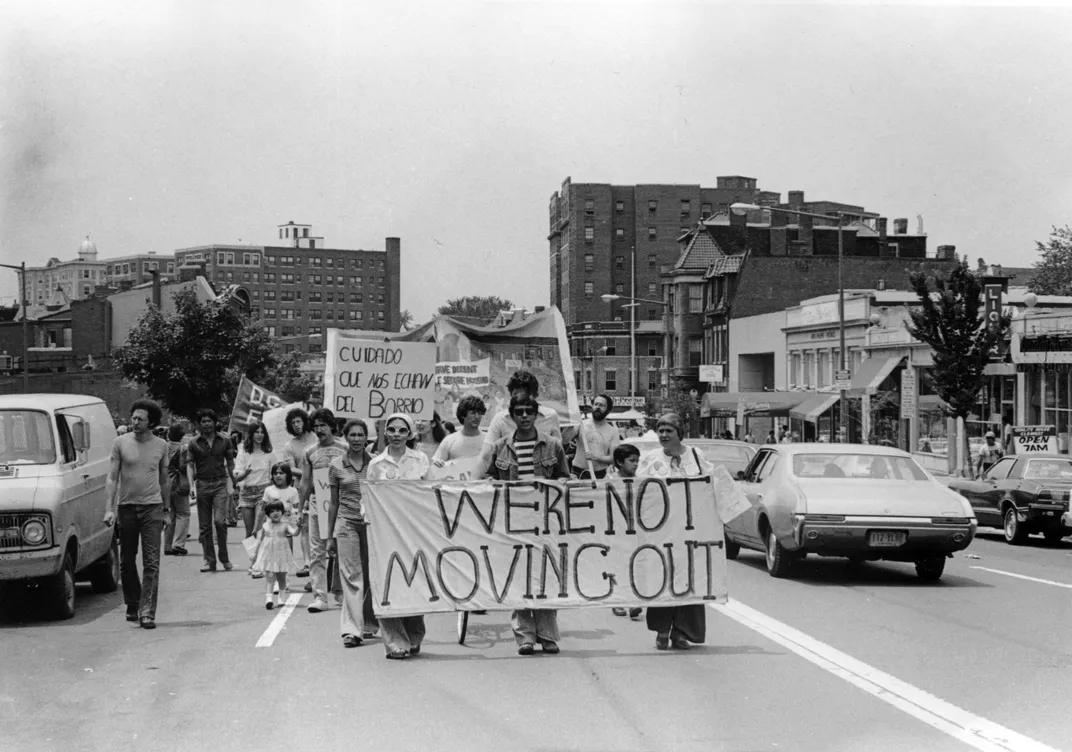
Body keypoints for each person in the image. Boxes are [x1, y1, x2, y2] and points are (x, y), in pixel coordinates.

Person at [480, 394, 570, 656]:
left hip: (545, 521)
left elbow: (564, 475)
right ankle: (525, 636)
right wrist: (492, 483)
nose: (524, 416)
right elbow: (489, 477)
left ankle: (548, 635)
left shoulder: (553, 446)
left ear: (536, 414)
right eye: (519, 412)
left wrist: (562, 483)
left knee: (546, 577)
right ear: (512, 416)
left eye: (529, 411)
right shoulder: (499, 447)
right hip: (513, 522)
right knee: (520, 577)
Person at [636, 412, 714, 651]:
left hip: (691, 531)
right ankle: (662, 630)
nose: (663, 435)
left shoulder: (696, 456)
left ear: (680, 433)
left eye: (669, 430)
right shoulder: (650, 459)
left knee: (690, 580)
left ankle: (682, 633)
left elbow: (711, 483)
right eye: (660, 430)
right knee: (664, 578)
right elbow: (638, 491)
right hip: (662, 531)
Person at [367, 413, 431, 660]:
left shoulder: (421, 460)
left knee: (413, 581)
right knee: (387, 585)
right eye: (391, 430)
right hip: (385, 533)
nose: (396, 434)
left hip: (415, 532)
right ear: (385, 433)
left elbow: (431, 493)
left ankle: (414, 636)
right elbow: (368, 498)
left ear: (410, 434)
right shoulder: (376, 464)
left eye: (402, 430)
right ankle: (395, 642)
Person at [103, 399, 170, 629]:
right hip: (127, 507)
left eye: (140, 419)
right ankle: (133, 601)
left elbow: (164, 478)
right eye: (133, 418)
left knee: (152, 562)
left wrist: (167, 509)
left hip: (152, 507)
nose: (135, 422)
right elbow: (112, 477)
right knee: (126, 561)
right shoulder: (120, 443)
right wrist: (109, 509)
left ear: (151, 422)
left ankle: (147, 611)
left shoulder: (161, 445)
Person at [327, 419, 378, 648]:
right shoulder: (336, 466)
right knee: (351, 576)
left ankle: (368, 621)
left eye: (360, 435)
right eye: (352, 435)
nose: (357, 439)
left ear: (366, 438)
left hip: (371, 524)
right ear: (345, 437)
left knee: (371, 574)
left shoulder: (377, 464)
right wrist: (329, 536)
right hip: (346, 523)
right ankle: (352, 630)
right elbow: (333, 503)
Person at [297, 407, 348, 613]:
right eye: (316, 426)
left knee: (342, 550)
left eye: (323, 425)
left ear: (331, 426)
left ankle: (341, 592)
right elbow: (305, 482)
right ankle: (320, 596)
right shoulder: (309, 452)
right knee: (317, 551)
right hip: (318, 506)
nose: (319, 429)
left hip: (343, 506)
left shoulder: (345, 448)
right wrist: (300, 509)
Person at [186, 408, 237, 573]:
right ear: (199, 424)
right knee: (205, 526)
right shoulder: (193, 443)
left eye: (209, 421)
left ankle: (224, 558)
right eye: (203, 421)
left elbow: (230, 463)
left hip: (220, 484)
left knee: (220, 522)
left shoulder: (225, 440)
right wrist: (191, 485)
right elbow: (189, 465)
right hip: (201, 484)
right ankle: (209, 561)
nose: (206, 424)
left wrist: (234, 482)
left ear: (215, 423)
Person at [482, 370, 562, 455]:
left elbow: (557, 452)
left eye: (526, 396)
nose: (520, 400)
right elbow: (486, 454)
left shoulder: (550, 416)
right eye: (516, 395)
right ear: (510, 395)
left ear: (535, 395)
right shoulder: (500, 419)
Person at [608, 444, 643, 620]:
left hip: (634, 530)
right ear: (620, 462)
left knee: (635, 565)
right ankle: (617, 601)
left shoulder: (641, 481)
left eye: (637, 460)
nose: (636, 464)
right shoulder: (609, 482)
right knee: (618, 565)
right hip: (614, 530)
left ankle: (633, 602)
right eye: (632, 461)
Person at [284, 408, 317, 579]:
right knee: (304, 527)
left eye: (298, 421)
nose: (296, 425)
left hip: (321, 489)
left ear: (305, 421)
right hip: (301, 490)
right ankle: (307, 563)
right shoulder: (289, 445)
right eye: (293, 423)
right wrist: (308, 474)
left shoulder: (316, 438)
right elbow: (290, 469)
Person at [249, 499, 298, 610]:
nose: (275, 513)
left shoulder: (285, 525)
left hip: (281, 555)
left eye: (278, 510)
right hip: (269, 555)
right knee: (270, 576)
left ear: (282, 512)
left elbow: (294, 533)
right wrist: (254, 553)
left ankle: (281, 597)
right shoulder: (265, 526)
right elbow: (259, 540)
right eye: (272, 511)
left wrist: (299, 526)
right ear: (268, 514)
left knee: (281, 577)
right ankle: (269, 598)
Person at [235, 420, 276, 540]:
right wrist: (246, 472)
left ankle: (261, 558)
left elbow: (275, 475)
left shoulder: (270, 453)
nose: (259, 435)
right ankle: (253, 558)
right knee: (249, 533)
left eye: (262, 432)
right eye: (256, 432)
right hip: (246, 493)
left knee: (258, 529)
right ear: (251, 434)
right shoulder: (243, 452)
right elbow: (236, 478)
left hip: (263, 493)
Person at [571, 394, 620, 479]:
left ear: (608, 410)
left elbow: (613, 458)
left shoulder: (613, 431)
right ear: (592, 406)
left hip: (600, 475)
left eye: (602, 405)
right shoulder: (580, 424)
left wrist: (595, 457)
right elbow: (563, 440)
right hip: (577, 473)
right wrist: (570, 421)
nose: (598, 407)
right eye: (596, 404)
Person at [163, 423, 191, 556]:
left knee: (170, 514)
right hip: (179, 484)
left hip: (165, 484)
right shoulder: (184, 448)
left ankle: (167, 546)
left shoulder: (163, 447)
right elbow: (184, 466)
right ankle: (178, 544)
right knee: (183, 514)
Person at [433, 396, 487, 464]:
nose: (477, 417)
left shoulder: (489, 440)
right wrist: (437, 463)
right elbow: (436, 463)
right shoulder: (449, 440)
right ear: (463, 415)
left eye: (479, 413)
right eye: (473, 413)